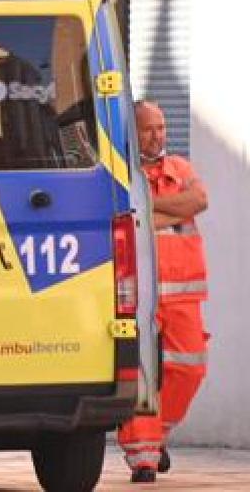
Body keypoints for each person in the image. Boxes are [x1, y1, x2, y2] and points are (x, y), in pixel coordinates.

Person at [118, 100, 210, 483]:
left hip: (184, 293)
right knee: (141, 375)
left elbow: (199, 201)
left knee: (190, 368)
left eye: (161, 127)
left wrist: (150, 207)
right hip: (139, 292)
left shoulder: (181, 168)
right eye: (148, 129)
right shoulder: (124, 173)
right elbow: (129, 214)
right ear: (132, 131)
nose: (156, 135)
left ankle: (157, 435)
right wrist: (175, 209)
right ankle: (143, 458)